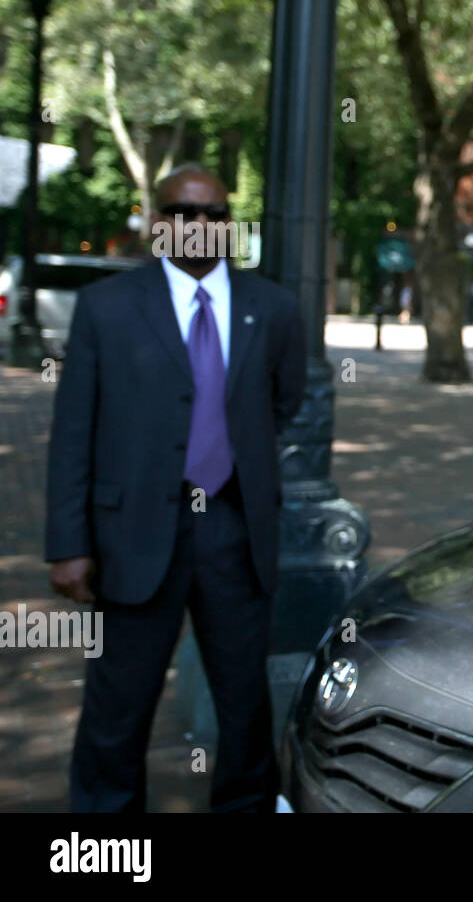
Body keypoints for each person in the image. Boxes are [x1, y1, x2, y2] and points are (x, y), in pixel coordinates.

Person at [45, 163, 306, 811]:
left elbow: (282, 403)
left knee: (244, 705)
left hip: (234, 529)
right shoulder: (106, 308)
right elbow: (74, 429)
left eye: (213, 214)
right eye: (181, 212)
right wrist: (68, 542)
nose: (197, 225)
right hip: (131, 534)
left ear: (228, 227)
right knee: (118, 706)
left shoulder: (272, 309)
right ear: (157, 223)